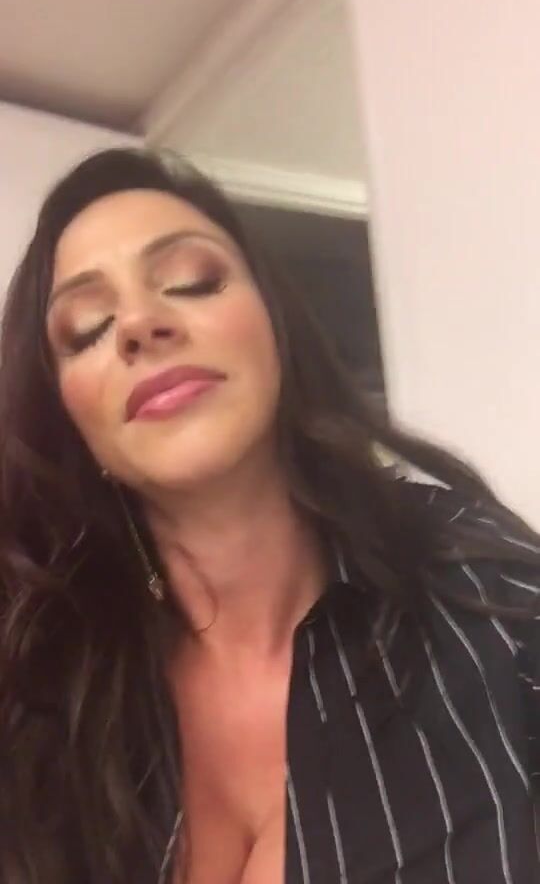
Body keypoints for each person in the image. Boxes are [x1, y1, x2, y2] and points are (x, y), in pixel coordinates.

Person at [0, 147, 538, 884]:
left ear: (277, 330)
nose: (140, 324)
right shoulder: (43, 693)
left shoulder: (478, 584)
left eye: (192, 280)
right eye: (88, 328)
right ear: (72, 422)